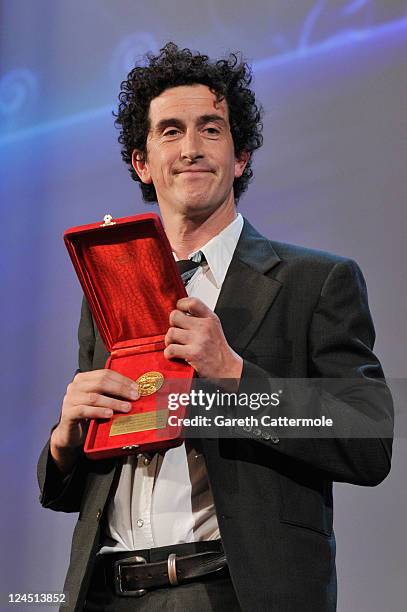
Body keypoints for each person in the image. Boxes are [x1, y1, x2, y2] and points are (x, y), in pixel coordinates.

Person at [38, 43, 393, 612]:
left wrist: (233, 374)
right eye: (170, 132)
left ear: (241, 156)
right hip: (106, 592)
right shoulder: (109, 287)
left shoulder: (316, 281)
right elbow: (81, 486)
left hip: (231, 591)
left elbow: (368, 440)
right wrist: (65, 440)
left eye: (211, 129)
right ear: (142, 163)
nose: (191, 149)